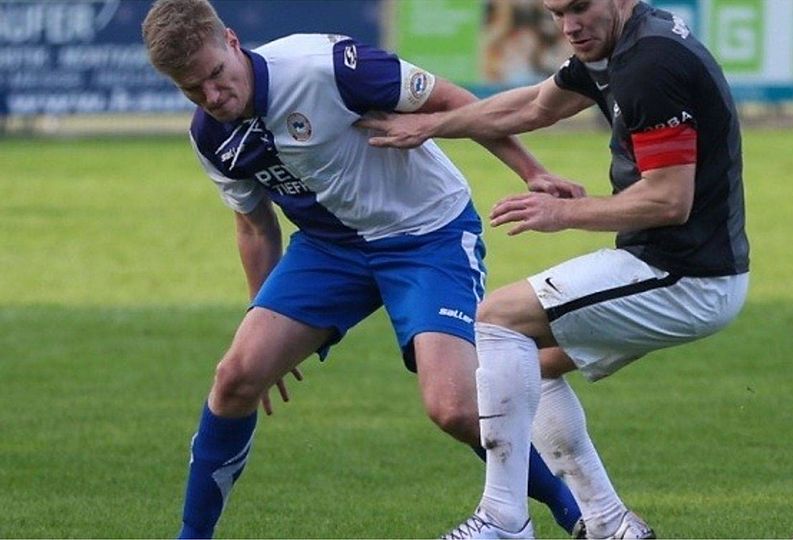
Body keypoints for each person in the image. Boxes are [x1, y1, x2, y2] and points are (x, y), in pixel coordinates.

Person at [140, 0, 586, 537]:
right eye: (192, 89)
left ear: (233, 41)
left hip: (427, 234)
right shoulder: (212, 136)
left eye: (215, 75)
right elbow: (256, 226)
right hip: (331, 248)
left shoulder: (328, 66)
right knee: (236, 377)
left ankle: (576, 512)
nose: (212, 96)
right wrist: (263, 317)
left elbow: (453, 100)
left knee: (455, 410)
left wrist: (532, 171)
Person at [359, 0, 750, 538]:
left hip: (685, 275)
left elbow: (668, 201)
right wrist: (431, 125)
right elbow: (534, 107)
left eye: (580, 8)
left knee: (498, 318)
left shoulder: (650, 64)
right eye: (556, 12)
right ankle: (612, 524)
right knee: (530, 365)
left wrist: (562, 213)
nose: (568, 27)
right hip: (677, 268)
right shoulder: (621, 43)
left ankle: (503, 517)